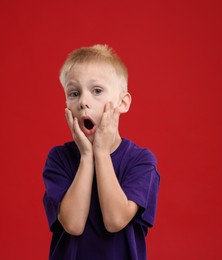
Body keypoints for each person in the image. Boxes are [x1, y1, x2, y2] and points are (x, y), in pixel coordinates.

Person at [42, 44, 160, 260]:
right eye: (74, 93)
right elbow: (73, 224)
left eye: (97, 91)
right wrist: (87, 157)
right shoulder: (58, 159)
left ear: (122, 103)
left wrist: (101, 153)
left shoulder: (141, 161)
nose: (83, 102)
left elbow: (115, 220)